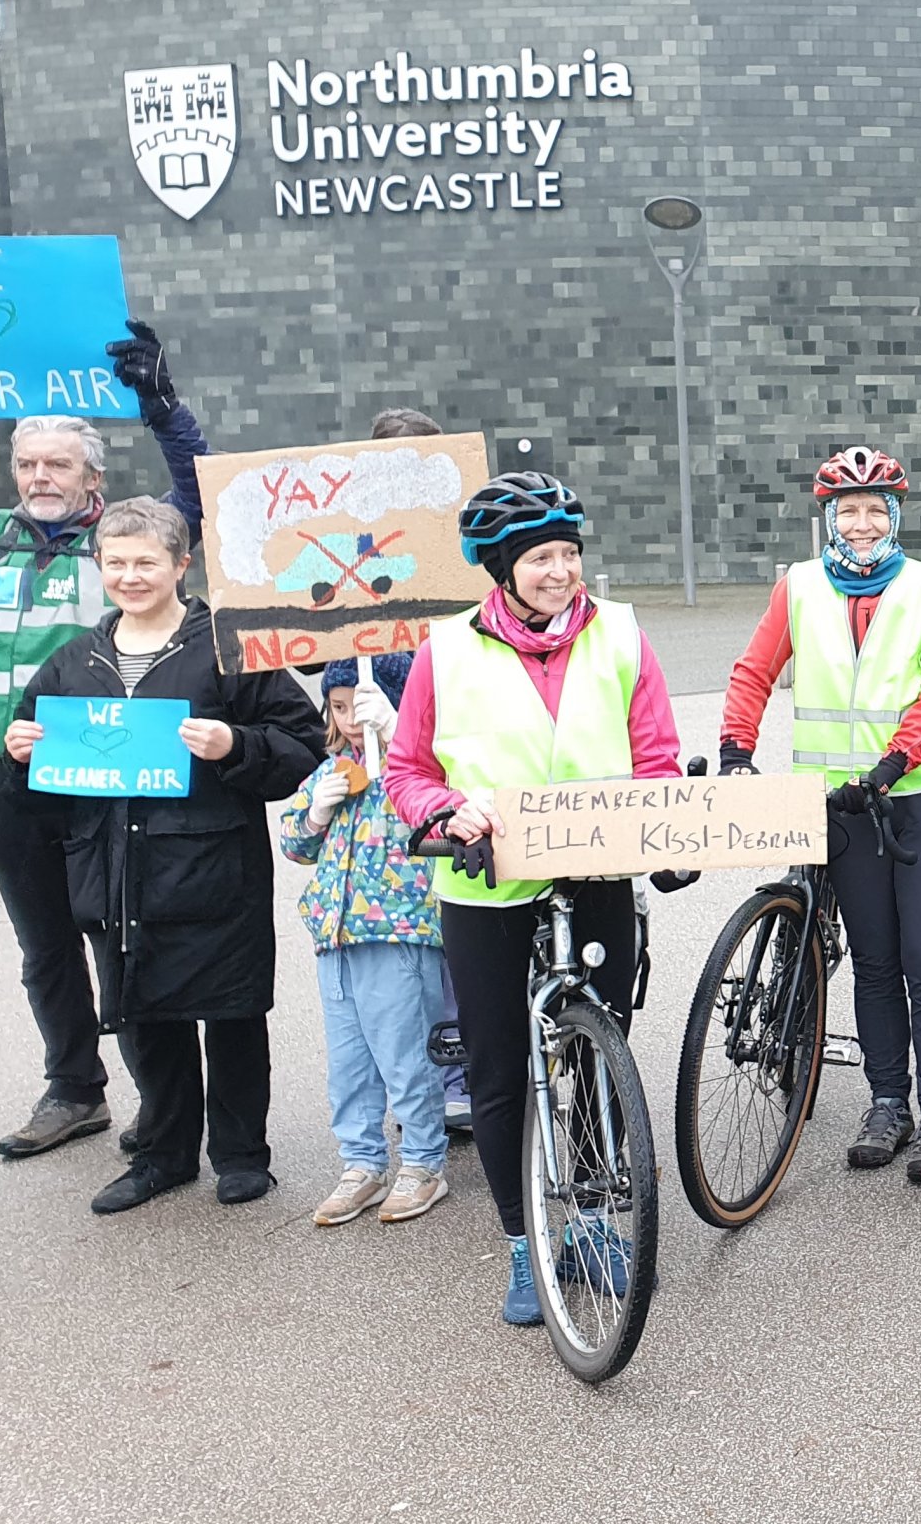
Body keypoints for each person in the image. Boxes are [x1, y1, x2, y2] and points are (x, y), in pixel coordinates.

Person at [384, 473, 682, 1325]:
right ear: (502, 567)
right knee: (501, 1064)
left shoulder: (619, 632)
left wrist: (665, 831)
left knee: (595, 1048)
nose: (561, 572)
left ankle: (589, 1220)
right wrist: (446, 810)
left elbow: (655, 752)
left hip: (593, 872)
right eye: (541, 557)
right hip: (486, 883)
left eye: (570, 554)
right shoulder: (446, 650)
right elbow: (409, 772)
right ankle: (524, 1243)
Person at [0, 497, 322, 1213]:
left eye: (146, 561)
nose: (130, 575)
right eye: (116, 562)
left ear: (182, 564)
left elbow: (304, 747)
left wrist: (237, 744)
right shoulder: (73, 662)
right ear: (99, 566)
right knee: (145, 1019)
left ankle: (242, 1155)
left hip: (215, 873)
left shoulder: (229, 648)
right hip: (113, 878)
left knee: (233, 1018)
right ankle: (163, 1156)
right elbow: (41, 792)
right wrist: (20, 757)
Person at [0, 321, 214, 1161]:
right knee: (43, 944)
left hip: (109, 771)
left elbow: (202, 492)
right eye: (27, 464)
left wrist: (161, 407)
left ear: (93, 476)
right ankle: (75, 1088)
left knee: (122, 934)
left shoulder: (127, 541)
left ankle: (162, 1112)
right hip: (7, 777)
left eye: (57, 465)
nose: (39, 477)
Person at [719, 447, 921, 1186]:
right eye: (847, 512)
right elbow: (753, 671)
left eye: (874, 510)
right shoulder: (798, 586)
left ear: (894, 516)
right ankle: (886, 1103)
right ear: (828, 519)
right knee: (874, 960)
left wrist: (892, 765)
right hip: (835, 802)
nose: (861, 525)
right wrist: (737, 751)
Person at [280, 658, 450, 1227]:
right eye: (340, 706)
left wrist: (402, 733)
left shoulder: (421, 766)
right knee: (348, 1064)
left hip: (397, 930)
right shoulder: (330, 770)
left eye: (363, 702)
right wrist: (315, 812)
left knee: (405, 1057)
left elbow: (444, 813)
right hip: (336, 934)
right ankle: (361, 1163)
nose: (352, 718)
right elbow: (294, 845)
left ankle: (424, 1162)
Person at [362, 406, 469, 1131]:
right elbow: (336, 665)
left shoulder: (470, 560)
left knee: (463, 938)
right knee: (411, 948)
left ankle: (471, 1072)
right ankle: (427, 1079)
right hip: (390, 787)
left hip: (461, 772)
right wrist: (353, 701)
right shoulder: (357, 562)